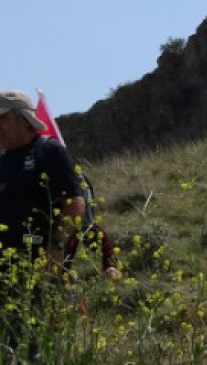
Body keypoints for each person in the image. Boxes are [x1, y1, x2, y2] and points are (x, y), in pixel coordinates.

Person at [1, 90, 86, 359]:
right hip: (3, 266)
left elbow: (75, 202)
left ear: (23, 119)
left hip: (36, 265)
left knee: (30, 342)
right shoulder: (1, 160)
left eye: (1, 118)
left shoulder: (48, 151)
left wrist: (57, 245)